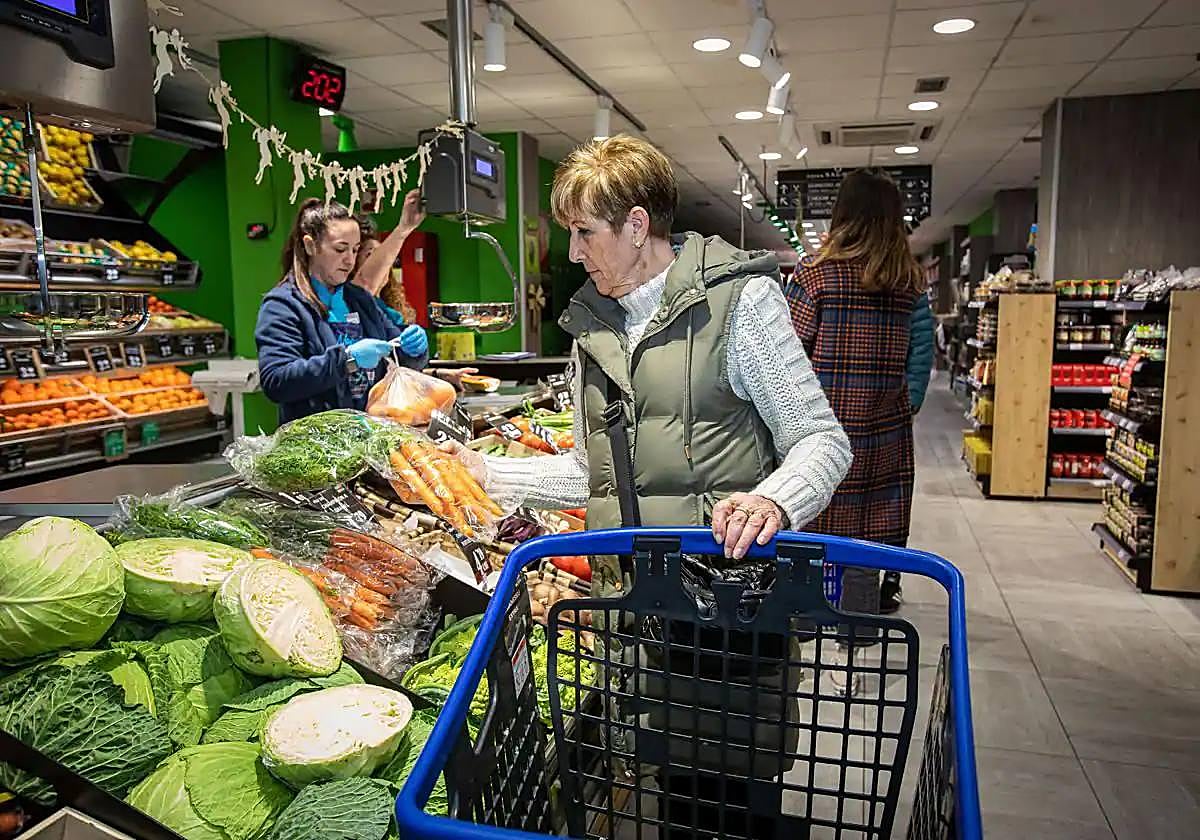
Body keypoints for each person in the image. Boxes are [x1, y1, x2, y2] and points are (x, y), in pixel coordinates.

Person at [784, 168, 927, 679]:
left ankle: (799, 626)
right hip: (882, 431)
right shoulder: (909, 281)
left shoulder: (814, 275)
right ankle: (858, 634)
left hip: (819, 429)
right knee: (864, 540)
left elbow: (788, 356)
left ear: (842, 213)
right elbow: (916, 354)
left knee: (803, 529)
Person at [256, 198, 429, 424]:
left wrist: (413, 349)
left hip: (372, 437)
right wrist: (346, 360)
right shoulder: (283, 305)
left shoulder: (359, 299)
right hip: (317, 447)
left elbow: (399, 355)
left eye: (355, 249)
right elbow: (276, 381)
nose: (349, 260)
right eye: (340, 249)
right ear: (310, 246)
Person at [350, 195, 479, 391]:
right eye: (371, 255)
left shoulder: (387, 311)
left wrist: (437, 374)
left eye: (385, 256)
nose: (383, 262)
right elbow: (365, 282)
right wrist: (403, 229)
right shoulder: (349, 303)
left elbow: (399, 367)